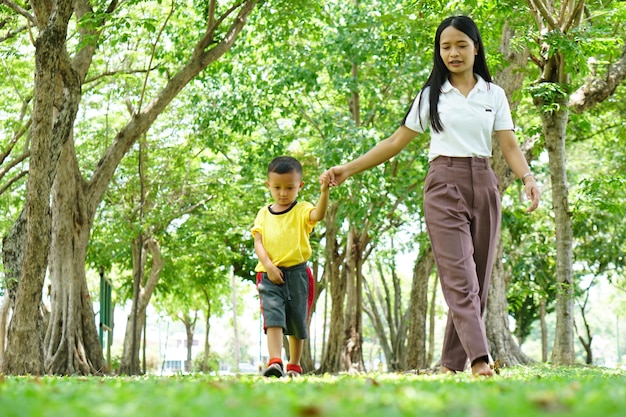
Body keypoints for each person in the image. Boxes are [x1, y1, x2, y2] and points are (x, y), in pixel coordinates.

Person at [323, 15, 540, 377]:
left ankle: (450, 364)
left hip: (484, 182)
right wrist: (349, 168)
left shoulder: (494, 94)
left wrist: (528, 178)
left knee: (479, 280)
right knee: (460, 277)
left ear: (476, 47)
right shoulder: (431, 95)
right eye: (445, 47)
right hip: (444, 184)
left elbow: (509, 144)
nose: (453, 53)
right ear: (439, 52)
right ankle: (479, 360)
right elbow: (394, 142)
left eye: (460, 45)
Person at [252, 156, 330, 377]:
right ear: (268, 185)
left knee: (297, 319)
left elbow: (319, 215)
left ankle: (294, 364)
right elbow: (258, 241)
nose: (283, 193)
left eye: (289, 187)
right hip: (268, 274)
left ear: (300, 186)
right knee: (273, 315)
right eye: (277, 187)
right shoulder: (263, 213)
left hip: (297, 274)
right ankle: (275, 361)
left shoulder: (302, 209)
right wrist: (268, 266)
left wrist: (324, 192)